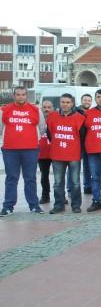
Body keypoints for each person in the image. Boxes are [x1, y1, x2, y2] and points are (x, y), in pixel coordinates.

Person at [0, 86, 46, 215]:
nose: (21, 97)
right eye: (18, 94)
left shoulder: (36, 110)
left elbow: (42, 128)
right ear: (13, 96)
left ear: (27, 96)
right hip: (10, 150)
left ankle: (34, 205)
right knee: (11, 178)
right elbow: (0, 128)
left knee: (30, 178)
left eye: (23, 94)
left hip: (31, 149)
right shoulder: (4, 110)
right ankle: (8, 206)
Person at [46, 93, 86, 214]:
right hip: (57, 155)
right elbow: (50, 134)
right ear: (60, 103)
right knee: (58, 183)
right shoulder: (52, 116)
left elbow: (82, 137)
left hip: (73, 155)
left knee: (75, 182)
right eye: (63, 102)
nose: (65, 104)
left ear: (72, 104)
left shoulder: (80, 118)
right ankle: (59, 205)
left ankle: (76, 205)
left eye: (68, 102)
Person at [37, 100, 54, 205]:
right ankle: (45, 196)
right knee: (44, 176)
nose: (46, 109)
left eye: (49, 107)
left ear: (53, 108)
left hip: (55, 152)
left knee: (59, 177)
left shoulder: (57, 119)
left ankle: (61, 196)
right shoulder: (38, 120)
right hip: (42, 154)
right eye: (44, 107)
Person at [78, 93, 93, 194]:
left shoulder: (92, 112)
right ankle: (71, 189)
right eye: (85, 100)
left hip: (88, 144)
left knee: (87, 166)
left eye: (88, 100)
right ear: (81, 101)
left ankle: (87, 186)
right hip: (76, 143)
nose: (86, 102)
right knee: (74, 168)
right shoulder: (75, 112)